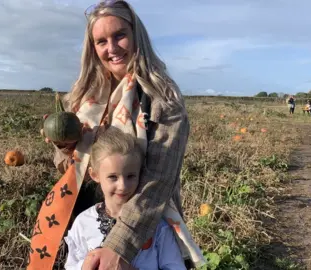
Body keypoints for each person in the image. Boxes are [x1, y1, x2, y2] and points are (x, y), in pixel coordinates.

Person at [31, 1, 205, 269]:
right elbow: (71, 171)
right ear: (92, 48)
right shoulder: (82, 97)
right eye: (101, 41)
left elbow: (159, 181)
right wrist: (66, 148)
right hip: (87, 218)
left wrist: (118, 246)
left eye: (119, 35)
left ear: (137, 36)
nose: (111, 48)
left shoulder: (163, 98)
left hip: (144, 227)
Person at [64, 128, 186, 270]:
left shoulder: (157, 226)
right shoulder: (83, 222)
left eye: (130, 176)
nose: (122, 186)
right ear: (95, 175)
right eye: (113, 177)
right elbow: (72, 265)